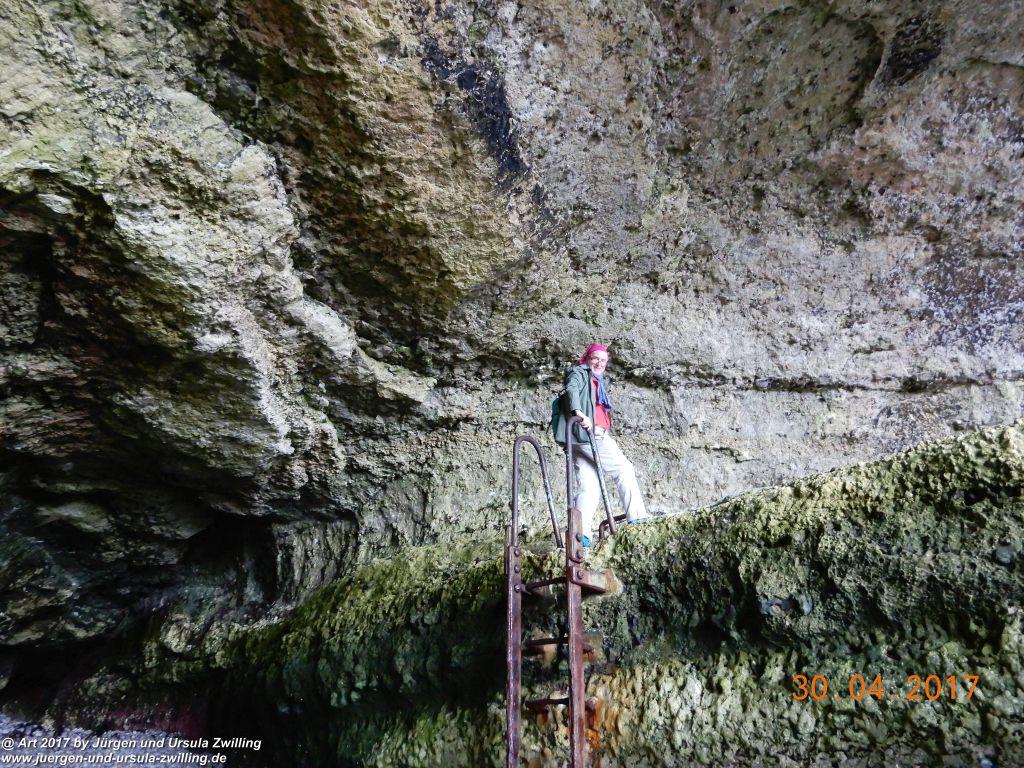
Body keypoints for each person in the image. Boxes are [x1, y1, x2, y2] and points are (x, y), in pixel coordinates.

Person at [554, 343, 649, 545]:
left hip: (577, 439)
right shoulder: (580, 372)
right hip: (590, 434)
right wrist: (578, 413)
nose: (599, 363)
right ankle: (638, 519)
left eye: (603, 360)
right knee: (623, 469)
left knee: (589, 488)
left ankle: (581, 537)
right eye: (595, 358)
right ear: (587, 358)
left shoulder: (596, 381)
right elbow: (571, 389)